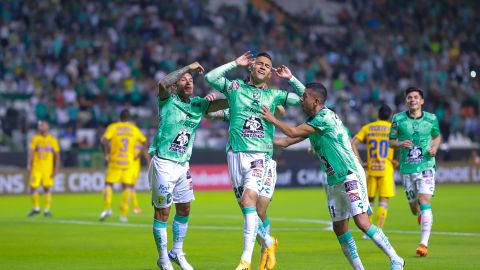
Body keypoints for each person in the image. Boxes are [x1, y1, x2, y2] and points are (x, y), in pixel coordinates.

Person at [263, 83, 405, 270]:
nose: (301, 99)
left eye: (304, 96)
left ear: (316, 100)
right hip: (333, 181)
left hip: (348, 173)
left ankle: (396, 259)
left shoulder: (325, 117)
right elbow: (285, 141)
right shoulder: (314, 121)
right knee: (339, 228)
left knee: (362, 222)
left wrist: (271, 119)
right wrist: (258, 137)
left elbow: (292, 132)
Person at [205, 51, 305, 270]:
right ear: (250, 67)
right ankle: (269, 243)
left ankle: (245, 261)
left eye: (267, 65)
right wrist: (234, 63)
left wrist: (291, 79)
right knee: (249, 210)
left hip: (261, 157)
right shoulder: (235, 90)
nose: (262, 67)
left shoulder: (275, 95)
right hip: (235, 156)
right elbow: (210, 78)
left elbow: (308, 101)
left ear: (271, 73)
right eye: (258, 63)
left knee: (251, 202)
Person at [150, 61, 228, 270]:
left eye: (191, 80)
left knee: (184, 209)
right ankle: (163, 259)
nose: (188, 82)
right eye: (183, 80)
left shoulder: (197, 104)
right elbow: (162, 83)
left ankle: (176, 251)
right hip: (164, 163)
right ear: (176, 86)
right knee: (163, 213)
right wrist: (187, 68)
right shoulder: (167, 100)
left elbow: (218, 105)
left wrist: (234, 95)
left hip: (183, 166)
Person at [205, 105, 285, 269]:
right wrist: (209, 105)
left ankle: (256, 257)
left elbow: (281, 111)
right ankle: (269, 244)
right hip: (238, 158)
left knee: (259, 210)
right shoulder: (237, 107)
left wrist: (274, 108)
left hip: (264, 161)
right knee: (248, 208)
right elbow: (210, 114)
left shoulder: (267, 102)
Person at [388, 86, 441, 257]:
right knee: (413, 207)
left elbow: (437, 136)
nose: (412, 100)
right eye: (409, 97)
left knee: (425, 200)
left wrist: (435, 147)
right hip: (407, 168)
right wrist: (399, 144)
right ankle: (420, 214)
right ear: (406, 100)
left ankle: (423, 244)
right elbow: (390, 141)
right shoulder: (398, 119)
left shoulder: (432, 119)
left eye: (416, 97)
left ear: (422, 100)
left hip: (426, 165)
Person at [351, 104, 397, 235]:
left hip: (371, 168)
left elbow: (353, 143)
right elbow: (401, 144)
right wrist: (396, 160)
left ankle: (368, 231)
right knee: (383, 200)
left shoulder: (368, 128)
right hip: (386, 168)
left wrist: (359, 162)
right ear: (390, 116)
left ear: (378, 115)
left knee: (369, 200)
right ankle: (380, 229)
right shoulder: (391, 129)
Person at [99, 109, 147, 222]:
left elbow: (104, 141)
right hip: (129, 162)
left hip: (115, 160)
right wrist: (138, 155)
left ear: (119, 117)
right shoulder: (134, 129)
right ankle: (123, 214)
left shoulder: (113, 127)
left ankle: (107, 208)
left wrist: (107, 153)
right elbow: (145, 142)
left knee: (108, 184)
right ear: (129, 119)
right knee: (127, 187)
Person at [26, 120, 60, 217]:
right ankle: (36, 207)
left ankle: (47, 210)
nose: (41, 127)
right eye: (40, 126)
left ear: (48, 127)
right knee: (33, 187)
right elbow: (31, 152)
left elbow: (57, 156)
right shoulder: (35, 138)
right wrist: (29, 164)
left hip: (48, 168)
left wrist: (56, 169)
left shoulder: (53, 140)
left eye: (43, 125)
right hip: (36, 167)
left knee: (47, 188)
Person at [131, 140, 151, 214]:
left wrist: (149, 164)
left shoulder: (134, 142)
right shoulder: (139, 144)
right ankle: (125, 203)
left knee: (130, 187)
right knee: (129, 187)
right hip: (133, 168)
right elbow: (146, 155)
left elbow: (146, 154)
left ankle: (135, 207)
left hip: (132, 168)